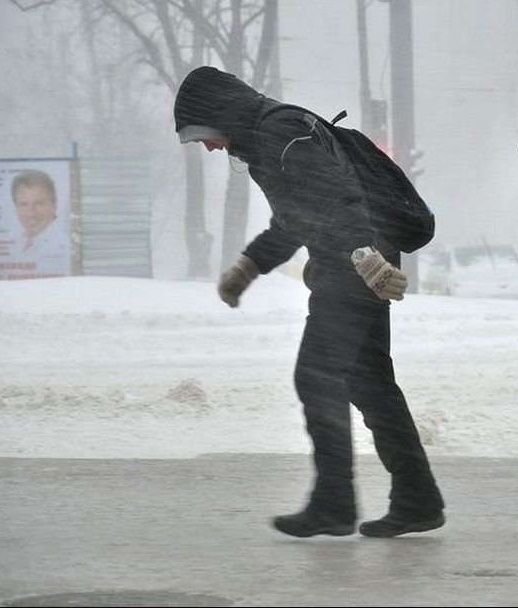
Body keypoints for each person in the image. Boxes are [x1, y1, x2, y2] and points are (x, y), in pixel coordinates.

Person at [174, 66, 444, 537]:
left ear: (220, 114)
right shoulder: (265, 139)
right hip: (355, 262)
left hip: (352, 267)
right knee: (371, 384)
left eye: (204, 135)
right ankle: (417, 499)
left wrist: (363, 255)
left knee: (317, 377)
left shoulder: (278, 131)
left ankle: (335, 503)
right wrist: (251, 265)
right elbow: (296, 218)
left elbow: (338, 195)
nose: (209, 147)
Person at [11, 170, 59, 255]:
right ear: (16, 206)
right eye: (23, 204)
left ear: (54, 204)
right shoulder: (16, 241)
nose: (31, 213)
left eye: (39, 203)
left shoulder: (61, 244)